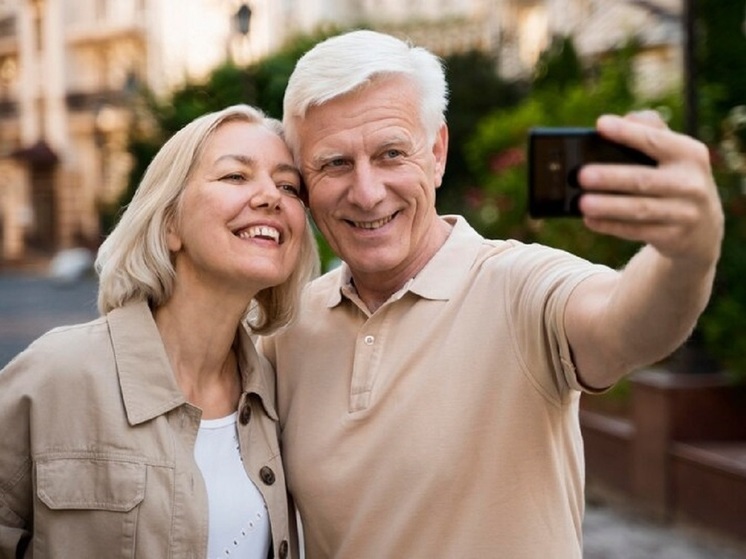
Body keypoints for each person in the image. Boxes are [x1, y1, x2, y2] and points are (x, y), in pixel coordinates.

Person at [259, 30, 724, 558]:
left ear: (436, 152)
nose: (367, 193)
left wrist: (687, 253)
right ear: (302, 178)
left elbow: (628, 322)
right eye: (335, 163)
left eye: (391, 153)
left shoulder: (520, 287)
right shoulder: (288, 330)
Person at [0, 104, 317, 558]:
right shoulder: (55, 375)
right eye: (235, 176)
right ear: (170, 223)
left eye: (288, 185)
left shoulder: (276, 393)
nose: (272, 196)